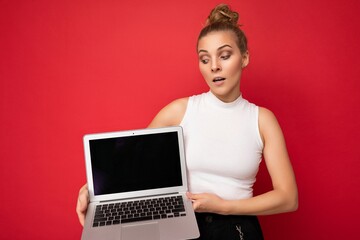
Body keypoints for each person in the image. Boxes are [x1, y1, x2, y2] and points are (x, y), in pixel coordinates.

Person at [76, 4, 298, 239]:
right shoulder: (180, 111)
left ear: (244, 58)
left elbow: (288, 198)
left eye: (224, 56)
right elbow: (127, 166)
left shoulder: (262, 120)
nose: (214, 66)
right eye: (205, 59)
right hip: (182, 221)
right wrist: (90, 190)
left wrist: (223, 206)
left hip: (236, 226)